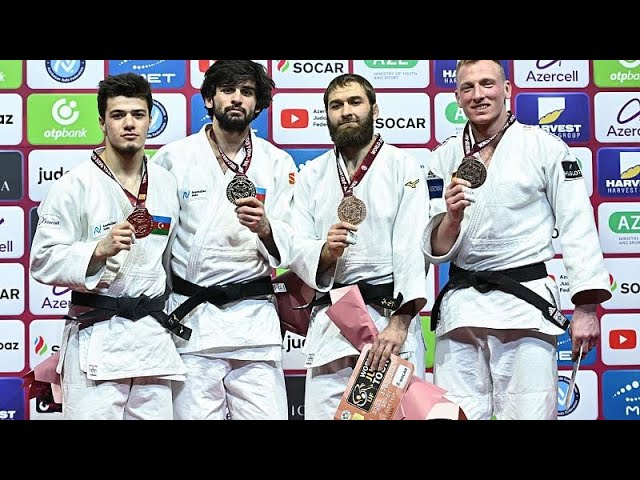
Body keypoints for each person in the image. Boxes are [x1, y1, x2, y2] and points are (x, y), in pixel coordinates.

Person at [422, 60, 611, 420]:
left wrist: (586, 307)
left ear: (507, 90)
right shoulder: (441, 158)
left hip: (525, 310)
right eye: (468, 88)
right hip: (462, 310)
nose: (478, 95)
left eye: (487, 84)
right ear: (457, 97)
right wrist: (453, 218)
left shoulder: (546, 148)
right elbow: (436, 248)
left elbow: (577, 225)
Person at [30, 72, 186, 420]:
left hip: (151, 341)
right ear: (102, 123)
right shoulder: (74, 185)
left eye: (138, 114)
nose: (129, 124)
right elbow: (42, 260)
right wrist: (96, 250)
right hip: (96, 338)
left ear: (150, 119)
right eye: (118, 115)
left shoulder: (165, 183)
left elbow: (171, 262)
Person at [151, 60, 296, 420]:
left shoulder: (278, 163)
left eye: (247, 92)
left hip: (254, 325)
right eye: (228, 90)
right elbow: (157, 242)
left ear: (258, 105)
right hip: (193, 322)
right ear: (208, 99)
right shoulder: (173, 158)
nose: (237, 99)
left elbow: (294, 243)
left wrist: (266, 228)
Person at [284, 73, 429, 420]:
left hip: (386, 325)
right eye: (336, 105)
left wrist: (400, 323)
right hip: (331, 324)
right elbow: (295, 243)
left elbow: (412, 247)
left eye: (355, 102)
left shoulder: (402, 166)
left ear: (374, 109)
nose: (346, 111)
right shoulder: (311, 175)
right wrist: (324, 253)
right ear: (327, 116)